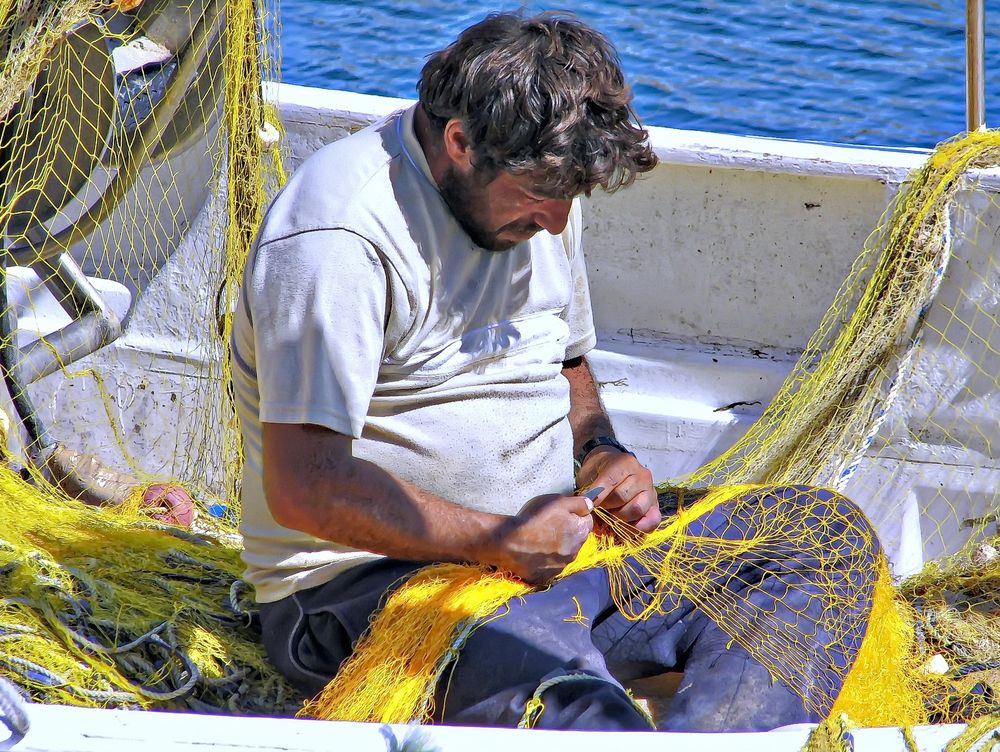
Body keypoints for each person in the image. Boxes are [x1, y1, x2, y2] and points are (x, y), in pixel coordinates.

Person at [232, 11, 879, 731]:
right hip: (368, 595)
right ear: (458, 142)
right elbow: (306, 487)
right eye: (542, 193)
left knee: (822, 536)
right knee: (562, 691)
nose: (556, 223)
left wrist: (601, 454)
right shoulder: (340, 237)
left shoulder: (545, 198)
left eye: (571, 197)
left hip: (551, 562)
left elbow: (565, 359)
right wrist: (492, 540)